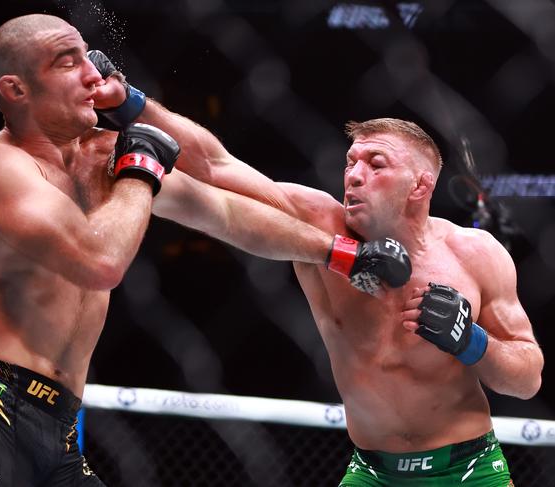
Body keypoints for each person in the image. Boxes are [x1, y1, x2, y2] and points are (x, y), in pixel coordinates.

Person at [0, 14, 412, 487]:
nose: (91, 74)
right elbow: (98, 261)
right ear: (15, 89)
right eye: (67, 62)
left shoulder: (109, 155)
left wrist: (341, 253)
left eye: (89, 56)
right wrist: (141, 173)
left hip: (60, 425)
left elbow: (225, 211)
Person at [87, 50, 544, 485]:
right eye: (351, 162)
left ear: (420, 184)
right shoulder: (317, 223)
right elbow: (213, 164)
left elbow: (526, 379)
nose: (354, 174)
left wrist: (473, 343)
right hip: (372, 473)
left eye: (375, 163)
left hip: (469, 470)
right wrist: (128, 102)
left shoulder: (474, 254)